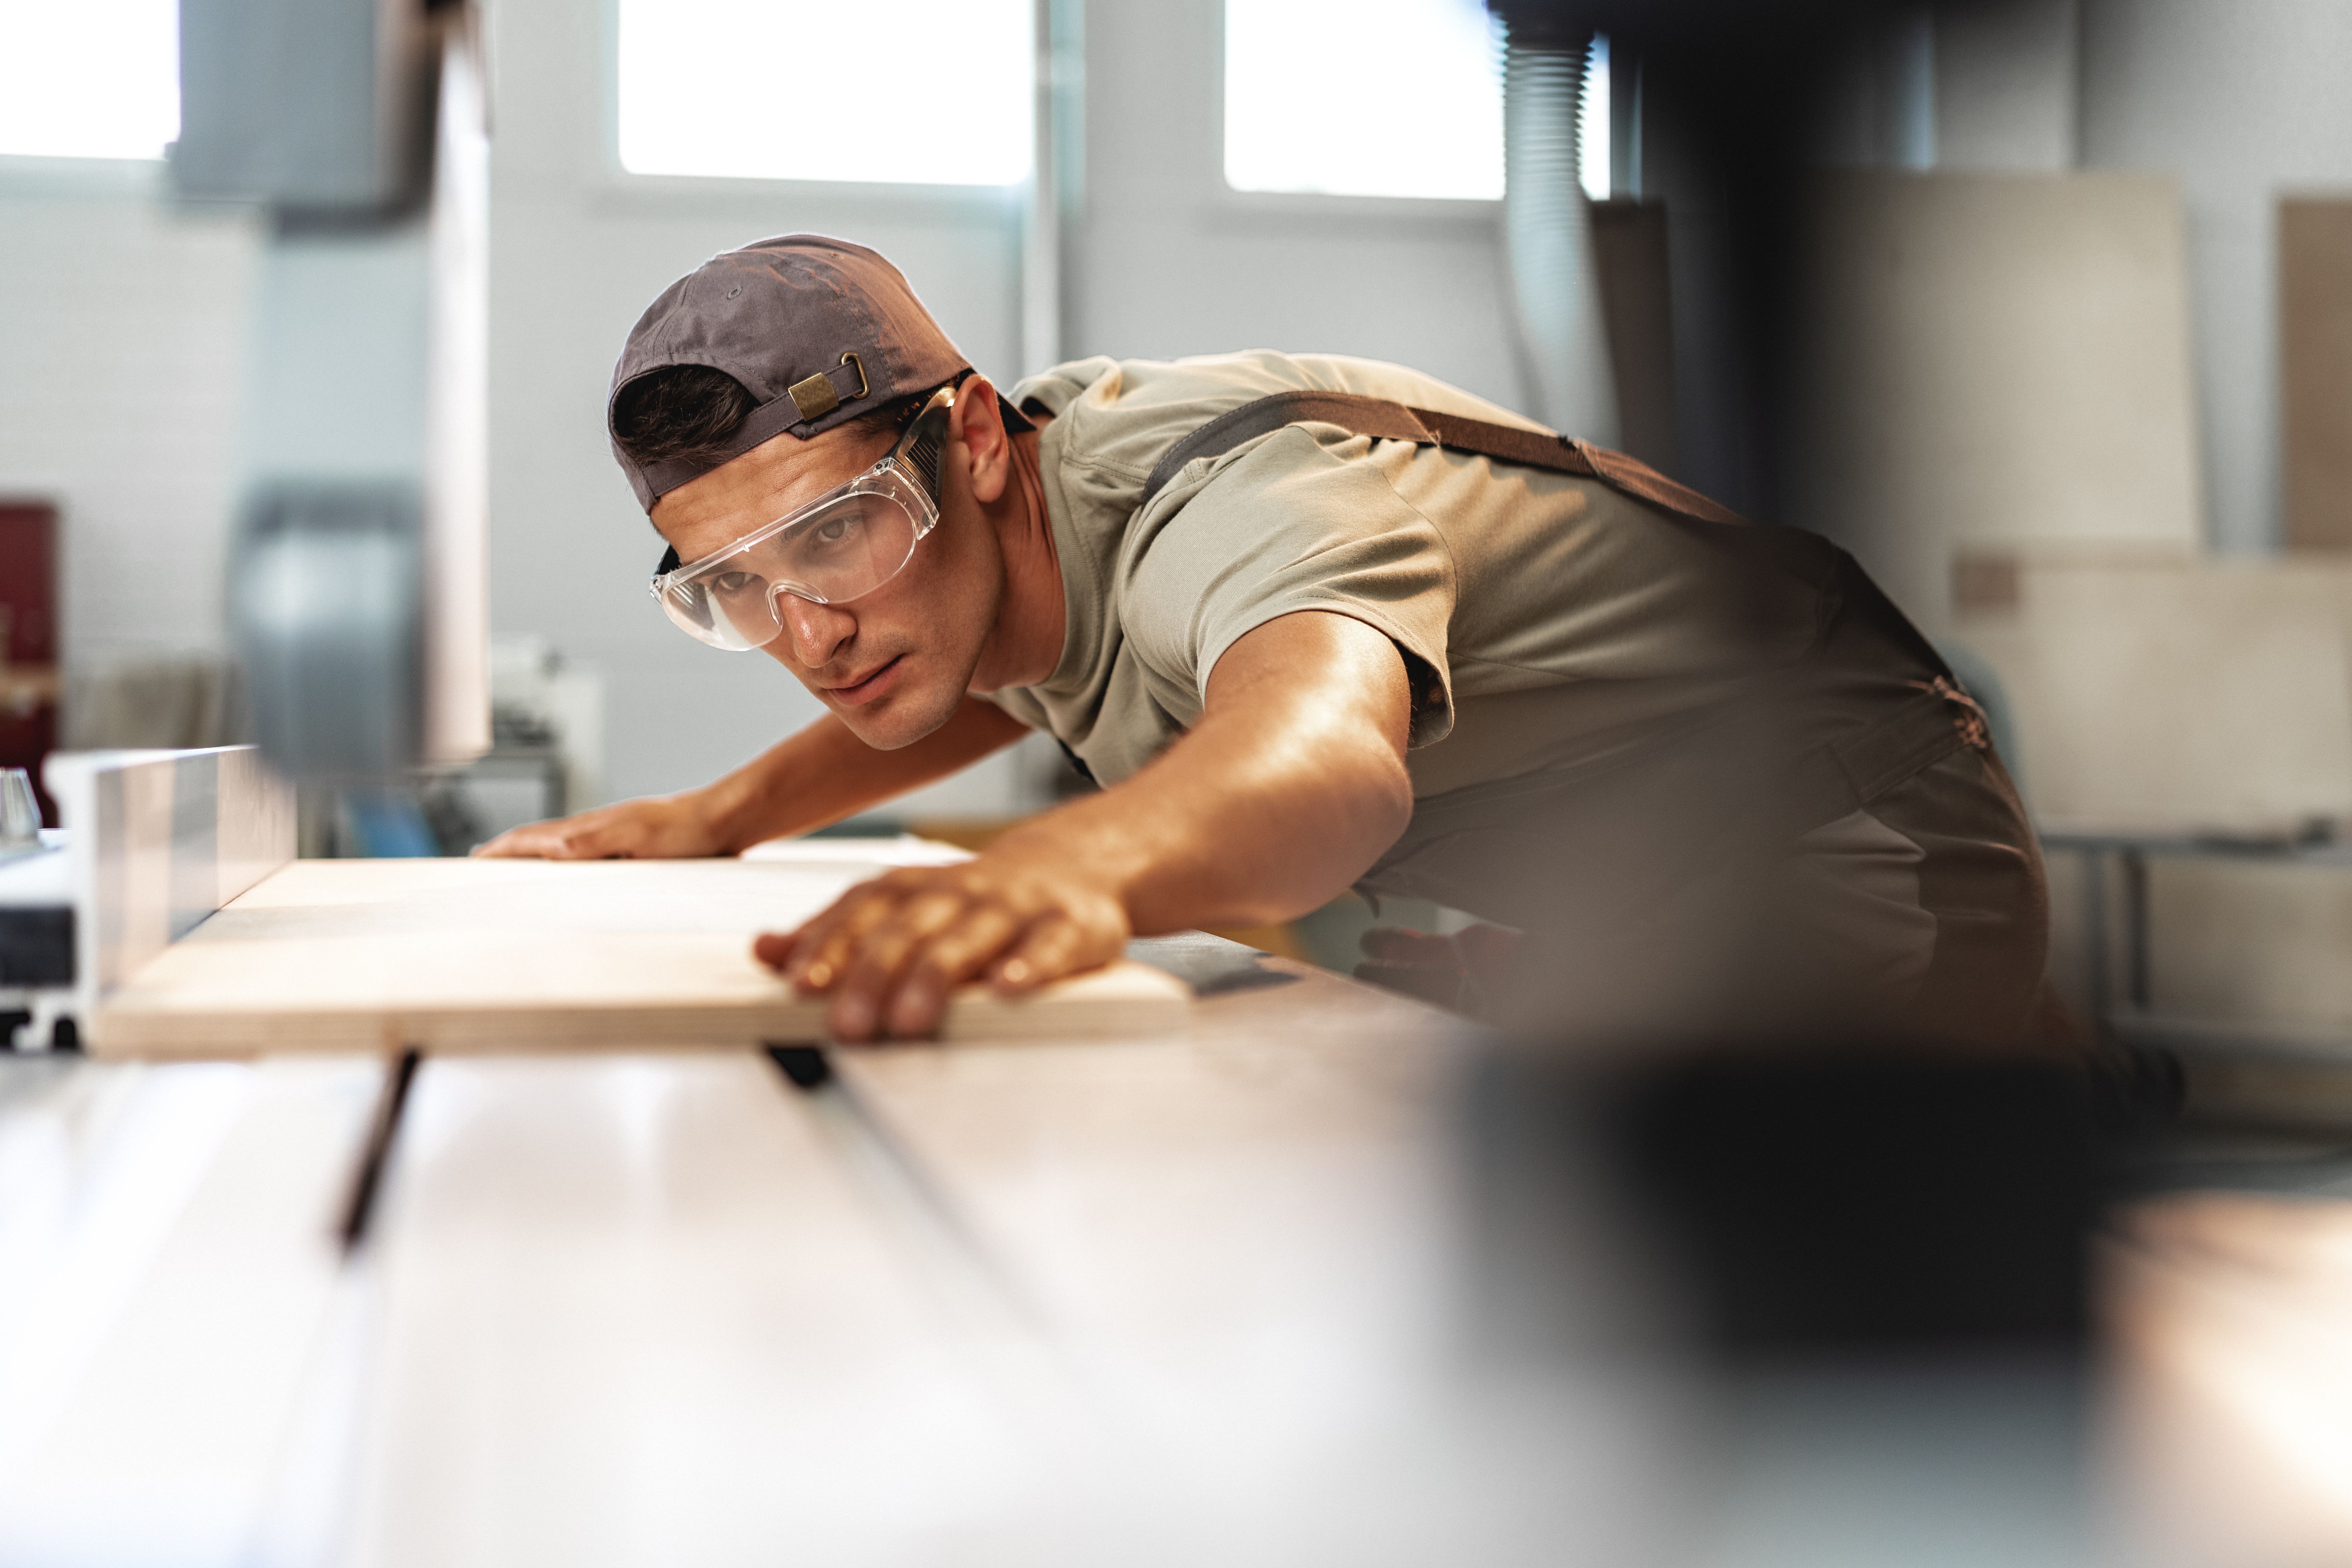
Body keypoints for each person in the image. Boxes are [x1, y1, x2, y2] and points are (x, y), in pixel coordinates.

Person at [480, 234, 2049, 1049]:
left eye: (832, 532)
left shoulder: (1229, 498)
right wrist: (723, 820)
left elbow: (1326, 765)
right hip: (1629, 865)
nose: (810, 632)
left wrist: (1072, 868)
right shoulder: (999, 550)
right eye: (736, 587)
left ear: (971, 438)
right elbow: (986, 681)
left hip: (1850, 834)